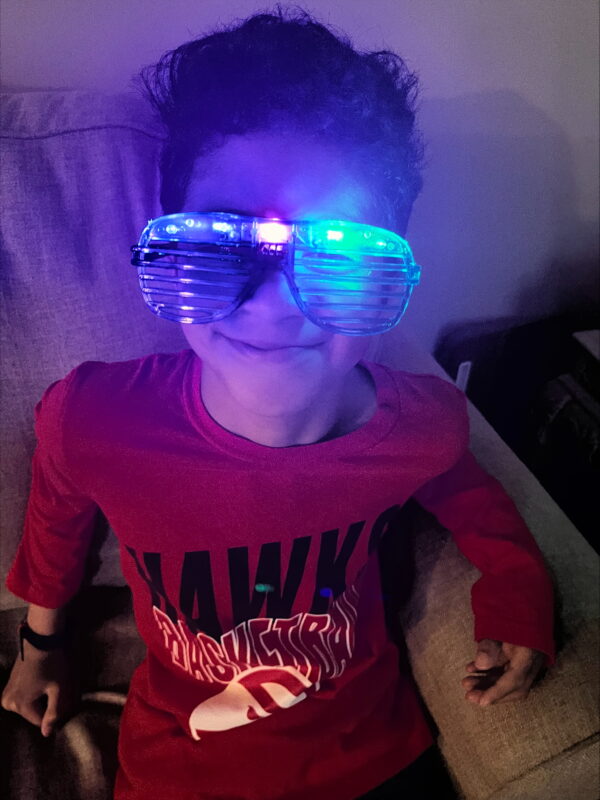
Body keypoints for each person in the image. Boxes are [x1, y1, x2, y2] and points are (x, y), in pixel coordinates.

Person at [1, 7, 554, 800]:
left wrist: (520, 590)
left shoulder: (422, 426)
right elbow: (56, 515)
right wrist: (39, 645)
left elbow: (476, 498)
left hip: (376, 753)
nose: (274, 307)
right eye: (215, 243)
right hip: (177, 766)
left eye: (336, 255)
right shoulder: (92, 420)